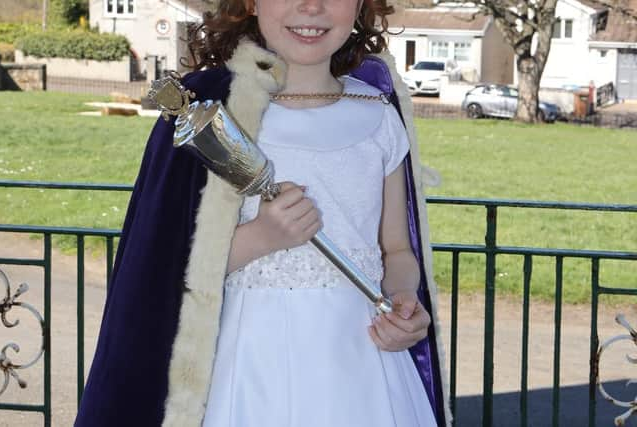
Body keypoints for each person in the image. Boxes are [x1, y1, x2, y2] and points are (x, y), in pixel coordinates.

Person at [74, 0, 449, 426]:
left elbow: (397, 250)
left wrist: (402, 300)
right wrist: (260, 237)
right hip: (246, 361)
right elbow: (158, 267)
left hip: (361, 362)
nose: (313, 7)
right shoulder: (208, 114)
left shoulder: (378, 115)